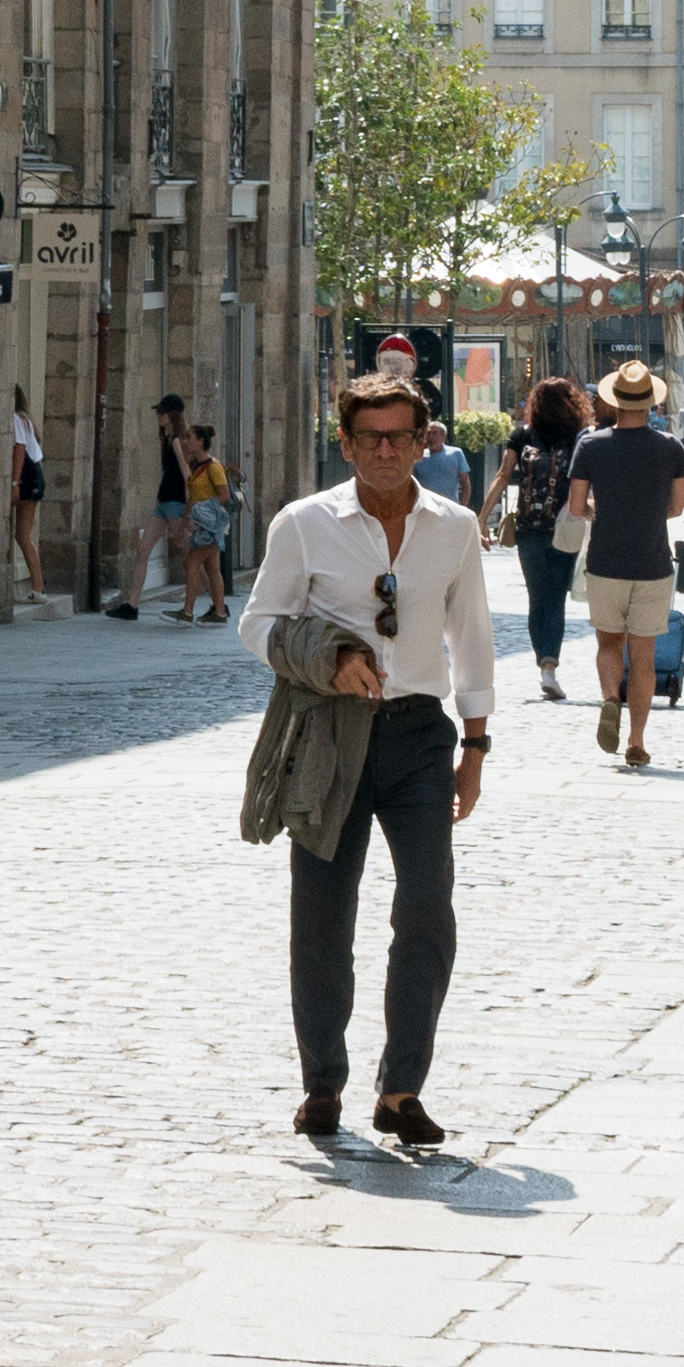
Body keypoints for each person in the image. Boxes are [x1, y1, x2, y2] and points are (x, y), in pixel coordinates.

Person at [238, 374, 493, 1152]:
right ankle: (322, 1082)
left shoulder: (452, 528)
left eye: (400, 435)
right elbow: (258, 622)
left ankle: (401, 1086)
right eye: (369, 437)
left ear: (424, 440)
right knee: (320, 915)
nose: (385, 450)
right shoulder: (304, 524)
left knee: (425, 909)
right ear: (344, 444)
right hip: (328, 732)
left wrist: (475, 742)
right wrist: (328, 662)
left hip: (419, 735)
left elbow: (472, 635)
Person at [575, 364, 684, 766]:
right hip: (652, 561)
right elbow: (677, 508)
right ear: (651, 401)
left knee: (609, 644)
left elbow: (577, 506)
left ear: (614, 399)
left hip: (605, 560)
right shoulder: (670, 447)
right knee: (643, 658)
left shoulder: (591, 446)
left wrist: (599, 510)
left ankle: (611, 697)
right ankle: (637, 740)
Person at [495, 378, 588, 699]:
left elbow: (503, 475)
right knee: (554, 598)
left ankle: (546, 666)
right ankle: (549, 665)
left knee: (538, 597)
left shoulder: (522, 436)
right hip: (565, 527)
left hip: (529, 528)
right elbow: (586, 482)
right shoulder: (578, 438)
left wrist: (481, 518)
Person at [141, 394, 196, 618]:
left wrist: (188, 511)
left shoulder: (176, 441)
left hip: (174, 503)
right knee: (144, 550)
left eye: (162, 412)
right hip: (164, 502)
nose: (158, 416)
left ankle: (215, 603)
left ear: (172, 415)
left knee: (191, 555)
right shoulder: (169, 438)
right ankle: (132, 604)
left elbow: (186, 474)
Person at [185, 425, 240, 621]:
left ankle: (187, 611)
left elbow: (224, 495)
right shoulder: (195, 466)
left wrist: (202, 510)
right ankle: (219, 611)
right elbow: (192, 496)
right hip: (200, 524)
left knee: (192, 563)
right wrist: (187, 519)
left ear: (200, 441)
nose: (186, 441)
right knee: (212, 568)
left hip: (210, 525)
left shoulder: (214, 467)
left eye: (189, 438)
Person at [5, 394, 51, 606]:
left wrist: (15, 484)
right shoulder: (26, 419)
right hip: (34, 475)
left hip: (27, 476)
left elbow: (19, 448)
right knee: (23, 534)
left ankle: (38, 587)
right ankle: (38, 587)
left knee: (22, 535)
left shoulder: (15, 418)